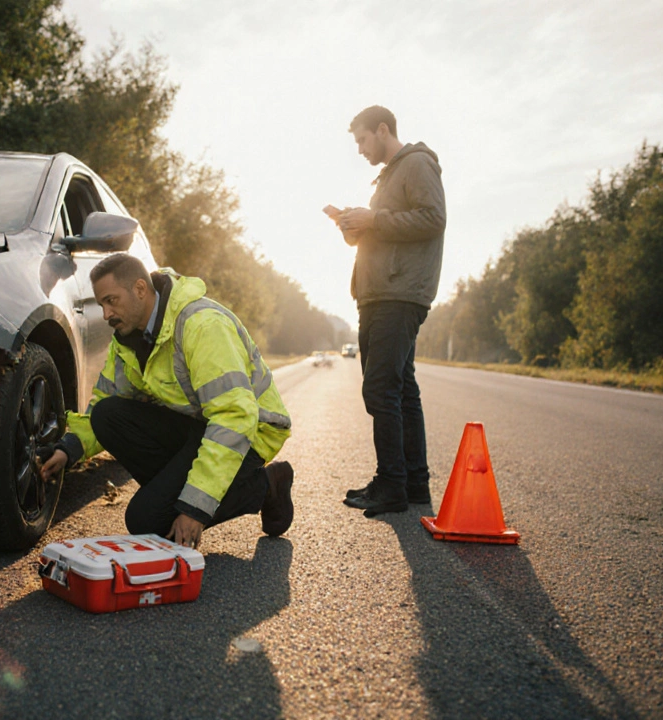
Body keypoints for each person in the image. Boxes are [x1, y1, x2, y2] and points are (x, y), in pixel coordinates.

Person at [39, 254, 294, 548]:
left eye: (111, 300)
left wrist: (194, 508)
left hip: (249, 432)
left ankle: (267, 486)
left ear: (139, 289)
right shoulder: (128, 339)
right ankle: (170, 498)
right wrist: (70, 449)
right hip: (198, 427)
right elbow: (106, 401)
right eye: (102, 304)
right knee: (107, 415)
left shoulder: (202, 326)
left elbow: (234, 417)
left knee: (146, 522)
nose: (106, 314)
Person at [332, 105, 446, 516]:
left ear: (383, 130)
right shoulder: (387, 176)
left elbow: (433, 219)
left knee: (380, 389)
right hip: (381, 291)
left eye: (363, 139)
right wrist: (352, 226)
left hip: (398, 294)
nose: (360, 149)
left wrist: (374, 218)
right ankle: (413, 483)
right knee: (401, 389)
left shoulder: (416, 164)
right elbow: (382, 231)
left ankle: (391, 485)